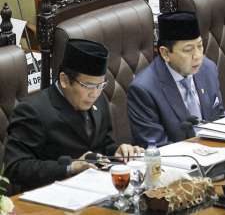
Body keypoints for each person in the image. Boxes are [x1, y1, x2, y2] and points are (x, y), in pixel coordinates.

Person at [4, 39, 142, 192]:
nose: (94, 94)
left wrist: (117, 152)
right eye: (88, 86)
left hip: (97, 190)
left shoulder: (99, 100)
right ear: (64, 80)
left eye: (100, 86)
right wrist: (70, 167)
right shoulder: (32, 111)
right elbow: (16, 168)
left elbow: (103, 146)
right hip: (51, 196)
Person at [128, 11, 225, 148]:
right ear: (165, 53)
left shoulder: (207, 69)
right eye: (188, 50)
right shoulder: (144, 89)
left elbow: (219, 117)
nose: (197, 56)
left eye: (200, 46)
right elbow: (155, 147)